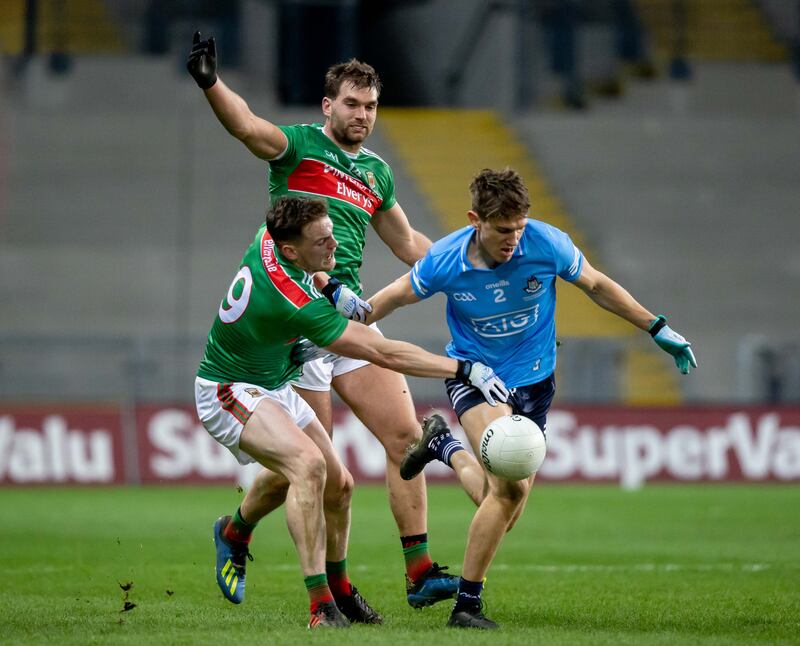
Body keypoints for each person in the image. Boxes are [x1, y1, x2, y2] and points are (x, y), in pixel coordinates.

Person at [186, 32, 462, 608]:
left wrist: (472, 274)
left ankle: (419, 571)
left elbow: (410, 244)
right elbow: (246, 127)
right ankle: (238, 529)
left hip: (347, 318)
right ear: (327, 106)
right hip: (302, 325)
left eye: (371, 106)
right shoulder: (299, 147)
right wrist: (212, 82)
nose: (362, 115)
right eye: (352, 104)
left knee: (406, 435)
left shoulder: (377, 175)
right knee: (316, 473)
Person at [363, 168, 698, 629]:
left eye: (519, 228)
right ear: (474, 220)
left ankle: (444, 447)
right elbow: (395, 296)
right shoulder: (446, 259)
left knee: (502, 506)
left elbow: (597, 286)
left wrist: (656, 328)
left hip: (536, 384)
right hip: (477, 379)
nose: (514, 240)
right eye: (503, 230)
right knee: (511, 487)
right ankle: (467, 607)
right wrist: (334, 334)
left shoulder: (548, 243)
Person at [194, 195, 508, 629]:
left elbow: (308, 267)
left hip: (274, 380)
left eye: (331, 234)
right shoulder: (291, 300)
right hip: (229, 388)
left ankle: (279, 556)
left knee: (339, 485)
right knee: (307, 467)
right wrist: (462, 367)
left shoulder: (269, 237)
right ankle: (320, 607)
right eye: (322, 241)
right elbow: (383, 352)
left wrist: (328, 283)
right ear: (291, 250)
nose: (335, 246)